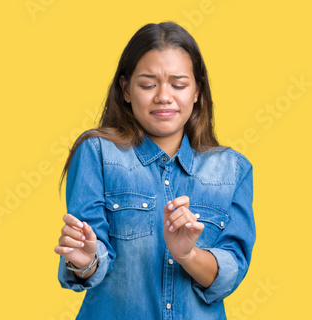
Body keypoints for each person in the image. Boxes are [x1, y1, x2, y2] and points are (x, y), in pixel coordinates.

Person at [54, 22, 256, 319]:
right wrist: (85, 261)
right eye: (148, 84)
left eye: (179, 84)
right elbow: (91, 257)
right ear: (125, 90)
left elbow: (230, 274)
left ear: (197, 91)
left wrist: (187, 254)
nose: (163, 96)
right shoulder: (96, 152)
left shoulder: (232, 169)